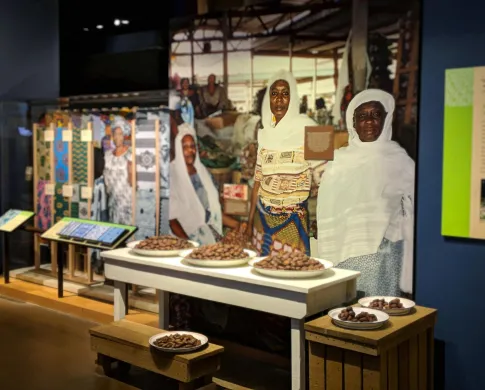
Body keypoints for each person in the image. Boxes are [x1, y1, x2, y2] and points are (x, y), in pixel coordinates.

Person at [316, 89, 415, 297]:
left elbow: (412, 208)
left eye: (376, 115)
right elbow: (327, 203)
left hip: (383, 254)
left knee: (379, 310)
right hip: (343, 251)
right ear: (353, 122)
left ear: (385, 120)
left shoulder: (399, 160)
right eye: (362, 116)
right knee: (348, 312)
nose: (369, 121)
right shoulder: (339, 161)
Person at [245, 69, 324, 256]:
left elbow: (327, 181)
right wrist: (248, 223)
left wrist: (324, 220)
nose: (279, 99)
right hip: (262, 221)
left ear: (294, 97)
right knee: (265, 278)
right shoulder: (263, 133)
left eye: (285, 94)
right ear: (268, 100)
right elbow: (257, 182)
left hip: (294, 224)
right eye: (274, 94)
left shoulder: (313, 129)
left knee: (293, 275)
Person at [169, 122, 240, 244]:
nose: (190, 150)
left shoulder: (202, 171)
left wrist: (236, 224)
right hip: (186, 237)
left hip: (209, 230)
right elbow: (172, 221)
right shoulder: (173, 175)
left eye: (192, 146)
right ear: (178, 149)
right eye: (184, 147)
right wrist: (189, 245)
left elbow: (210, 210)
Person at [103, 123, 133, 226]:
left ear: (125, 135)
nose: (117, 137)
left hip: (127, 202)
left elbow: (133, 181)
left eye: (120, 134)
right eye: (115, 134)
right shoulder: (108, 155)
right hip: (113, 201)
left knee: (128, 233)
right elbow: (106, 180)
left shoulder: (130, 153)